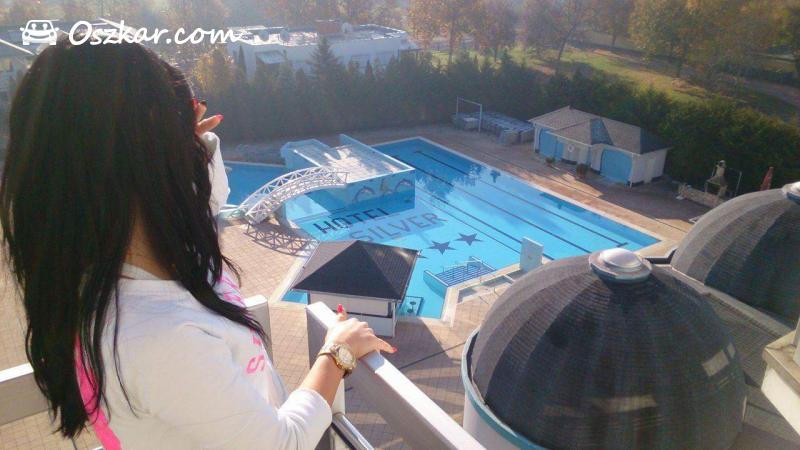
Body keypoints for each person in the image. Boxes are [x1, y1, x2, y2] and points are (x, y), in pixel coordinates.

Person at [0, 37, 394, 449]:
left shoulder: (120, 264)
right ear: (145, 161)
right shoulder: (156, 336)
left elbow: (208, 200)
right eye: (179, 135)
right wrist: (337, 353)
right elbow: (282, 443)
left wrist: (189, 147)